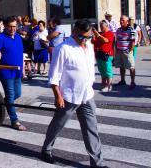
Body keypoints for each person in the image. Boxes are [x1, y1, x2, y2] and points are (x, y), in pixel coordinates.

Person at [41, 19, 106, 168]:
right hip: (69, 96)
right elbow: (54, 75)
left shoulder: (88, 46)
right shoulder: (63, 48)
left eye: (88, 37)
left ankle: (97, 163)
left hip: (87, 95)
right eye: (82, 37)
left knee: (92, 129)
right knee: (58, 125)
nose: (85, 40)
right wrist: (57, 95)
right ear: (74, 32)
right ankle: (46, 149)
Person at [0, 16, 26, 131]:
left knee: (18, 94)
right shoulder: (0, 37)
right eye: (10, 27)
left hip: (17, 70)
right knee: (11, 95)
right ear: (6, 26)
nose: (13, 29)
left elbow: (21, 53)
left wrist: (23, 70)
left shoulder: (18, 37)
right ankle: (14, 121)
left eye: (15, 26)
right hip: (6, 71)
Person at [115, 15, 136, 89]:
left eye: (123, 20)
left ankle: (132, 82)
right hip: (119, 51)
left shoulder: (131, 30)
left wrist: (130, 50)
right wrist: (116, 49)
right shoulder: (118, 30)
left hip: (127, 51)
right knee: (121, 66)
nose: (121, 21)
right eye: (120, 20)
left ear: (127, 22)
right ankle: (122, 80)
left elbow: (133, 41)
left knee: (131, 66)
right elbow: (117, 40)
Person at [92, 20, 114, 92]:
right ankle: (103, 84)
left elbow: (105, 40)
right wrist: (94, 35)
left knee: (108, 71)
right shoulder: (100, 33)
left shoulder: (110, 33)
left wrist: (97, 35)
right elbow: (93, 42)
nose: (101, 28)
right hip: (99, 54)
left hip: (106, 55)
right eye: (100, 27)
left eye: (102, 27)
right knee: (102, 71)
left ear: (107, 26)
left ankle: (109, 85)